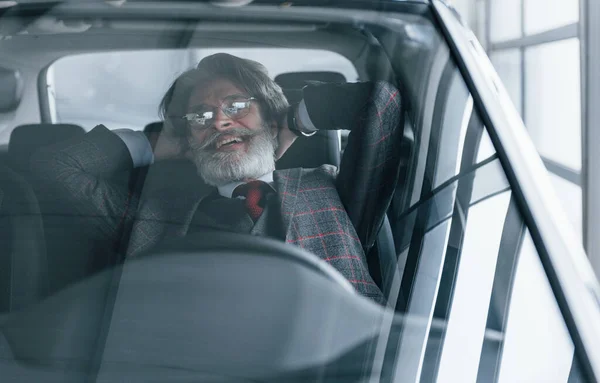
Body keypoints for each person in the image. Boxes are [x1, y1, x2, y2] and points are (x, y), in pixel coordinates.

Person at [31, 53, 405, 304]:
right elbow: (52, 170)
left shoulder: (330, 189)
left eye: (237, 106)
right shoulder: (153, 215)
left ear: (269, 117)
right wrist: (163, 142)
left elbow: (381, 103)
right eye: (200, 116)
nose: (220, 121)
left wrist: (293, 120)